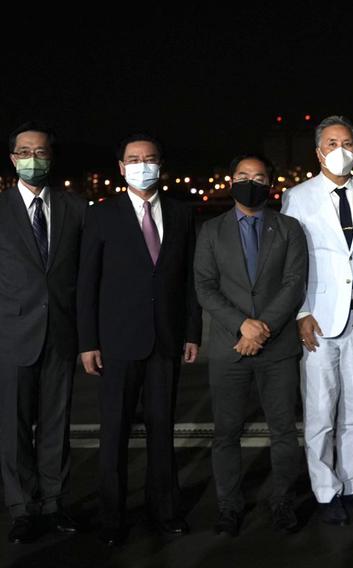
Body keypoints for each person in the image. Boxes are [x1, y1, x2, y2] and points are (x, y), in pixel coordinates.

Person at [77, 133, 202, 546]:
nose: (142, 164)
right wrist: (88, 341)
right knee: (113, 433)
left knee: (163, 430)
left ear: (161, 165)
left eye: (150, 158)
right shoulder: (101, 214)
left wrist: (190, 332)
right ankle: (112, 518)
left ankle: (164, 510)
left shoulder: (183, 214)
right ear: (121, 167)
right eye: (133, 159)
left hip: (166, 340)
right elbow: (87, 283)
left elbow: (187, 282)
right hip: (116, 342)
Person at [281, 116, 353, 525]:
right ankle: (326, 491)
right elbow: (291, 262)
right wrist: (301, 312)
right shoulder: (298, 197)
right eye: (331, 143)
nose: (340, 149)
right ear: (318, 152)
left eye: (346, 142)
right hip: (318, 320)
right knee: (320, 411)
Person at [195, 153, 307, 537]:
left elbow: (295, 283)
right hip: (230, 347)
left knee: (283, 430)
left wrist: (263, 328)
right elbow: (205, 287)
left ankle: (282, 501)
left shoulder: (289, 228)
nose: (251, 182)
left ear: (271, 185)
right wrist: (242, 325)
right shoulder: (211, 231)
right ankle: (228, 505)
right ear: (230, 181)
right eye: (243, 175)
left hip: (278, 349)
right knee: (226, 432)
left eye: (259, 177)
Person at [0, 122, 86, 543]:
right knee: (12, 428)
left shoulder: (75, 208)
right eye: (24, 151)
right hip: (11, 335)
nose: (33, 158)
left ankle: (54, 502)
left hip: (61, 334)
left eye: (41, 151)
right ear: (13, 157)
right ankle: (21, 507)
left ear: (50, 157)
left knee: (57, 423)